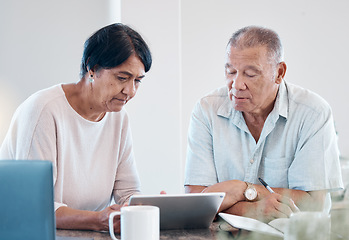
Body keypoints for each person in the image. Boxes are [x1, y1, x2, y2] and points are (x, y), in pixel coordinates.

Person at [0, 23, 152, 232]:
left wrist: (148, 208)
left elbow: (128, 193)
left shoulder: (118, 118)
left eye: (137, 81)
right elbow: (32, 208)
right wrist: (97, 219)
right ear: (92, 68)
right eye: (122, 78)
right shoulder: (44, 110)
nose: (130, 91)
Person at [184, 26, 343, 222]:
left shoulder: (313, 113)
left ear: (279, 72)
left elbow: (313, 204)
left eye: (250, 74)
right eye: (231, 71)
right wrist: (255, 210)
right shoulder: (207, 110)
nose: (237, 84)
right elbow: (196, 200)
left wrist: (243, 190)